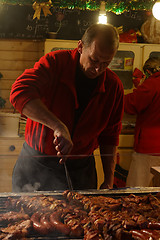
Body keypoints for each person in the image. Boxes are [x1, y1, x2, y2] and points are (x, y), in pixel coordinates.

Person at [10, 23, 124, 192]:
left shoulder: (113, 86)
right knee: (26, 216)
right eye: (94, 60)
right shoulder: (55, 63)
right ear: (80, 46)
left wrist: (108, 179)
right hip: (36, 163)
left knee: (80, 218)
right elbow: (19, 92)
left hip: (81, 169)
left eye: (106, 63)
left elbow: (110, 136)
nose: (98, 68)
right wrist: (57, 125)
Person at [124, 57, 160, 187]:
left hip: (149, 149)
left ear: (149, 71)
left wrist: (114, 95)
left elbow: (131, 104)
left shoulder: (153, 83)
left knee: (137, 189)